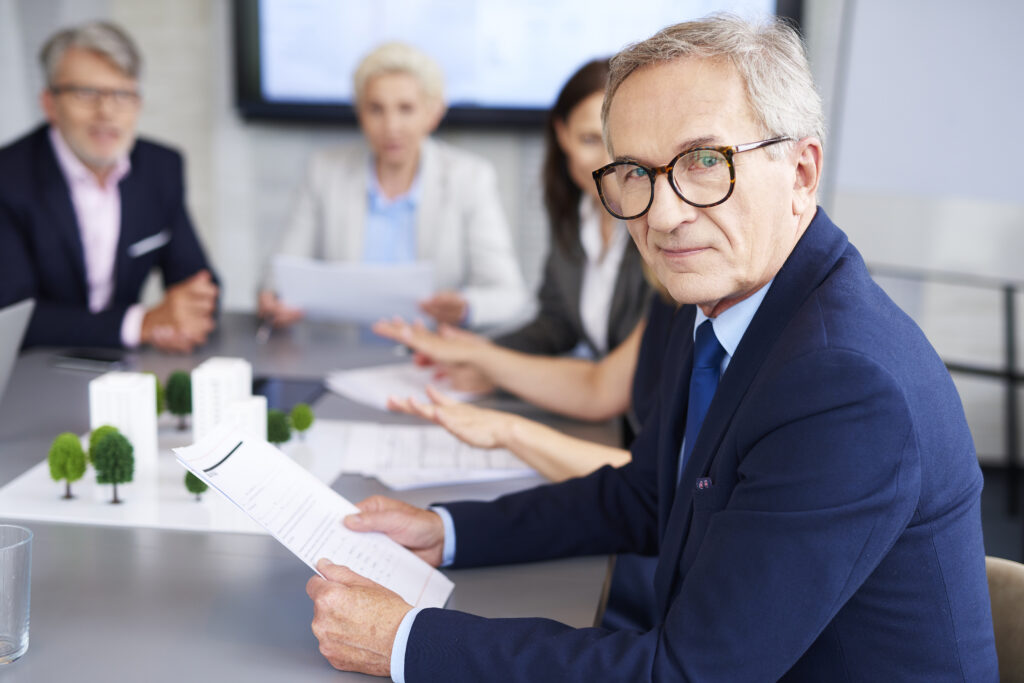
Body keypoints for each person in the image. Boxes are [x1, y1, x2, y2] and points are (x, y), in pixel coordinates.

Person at [306, 15, 998, 681]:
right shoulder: (704, 296)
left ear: (801, 171)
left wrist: (405, 638)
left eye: (704, 161)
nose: (663, 215)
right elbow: (645, 495)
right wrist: (448, 531)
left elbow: (690, 671)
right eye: (634, 172)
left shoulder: (843, 383)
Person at [374, 58, 650, 395]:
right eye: (590, 140)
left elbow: (617, 382)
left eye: (619, 142)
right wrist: (480, 353)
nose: (608, 164)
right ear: (562, 135)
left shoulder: (658, 228)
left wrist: (494, 367)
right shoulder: (574, 212)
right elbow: (556, 324)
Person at [258, 42, 526, 330]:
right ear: (360, 113)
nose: (391, 126)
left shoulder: (470, 178)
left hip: (430, 352)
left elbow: (508, 295)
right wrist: (275, 298)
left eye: (406, 109)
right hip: (340, 350)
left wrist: (466, 306)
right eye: (376, 109)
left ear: (433, 113)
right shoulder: (324, 172)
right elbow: (279, 276)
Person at [0, 21, 218, 351]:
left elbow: (196, 280)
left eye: (123, 94)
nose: (106, 111)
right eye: (86, 93)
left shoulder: (161, 167)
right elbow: (13, 317)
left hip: (129, 374)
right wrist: (140, 323)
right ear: (49, 104)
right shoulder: (8, 177)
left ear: (138, 103)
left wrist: (189, 311)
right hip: (33, 376)